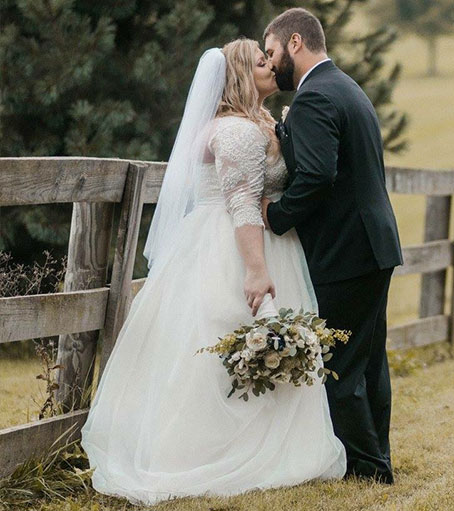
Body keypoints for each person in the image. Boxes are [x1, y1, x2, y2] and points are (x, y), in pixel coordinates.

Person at [79, 38, 345, 507]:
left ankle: (272, 445)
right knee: (222, 339)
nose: (271, 67)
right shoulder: (237, 132)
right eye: (262, 62)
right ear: (242, 75)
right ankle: (211, 450)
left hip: (257, 241)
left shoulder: (259, 122)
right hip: (233, 247)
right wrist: (257, 271)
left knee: (251, 341)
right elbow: (241, 202)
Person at [262, 8, 403, 484]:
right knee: (368, 362)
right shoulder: (347, 88)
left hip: (347, 250)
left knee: (340, 363)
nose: (271, 61)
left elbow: (319, 176)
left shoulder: (315, 97)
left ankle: (368, 469)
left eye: (272, 51)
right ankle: (375, 457)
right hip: (373, 245)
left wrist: (277, 217)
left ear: (295, 43)